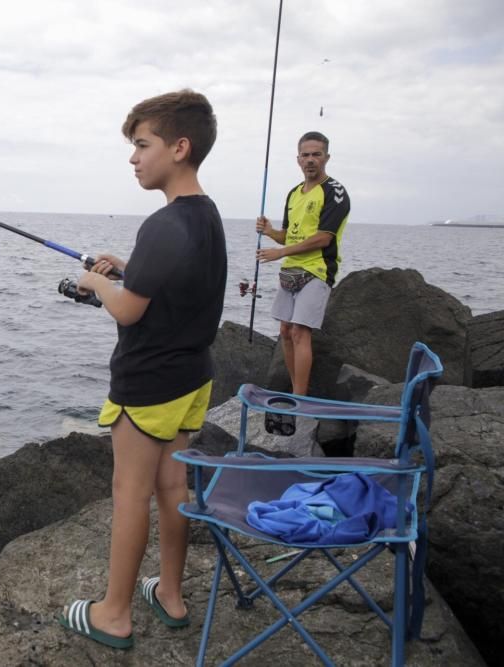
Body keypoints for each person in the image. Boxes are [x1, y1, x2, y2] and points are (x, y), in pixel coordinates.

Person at [58, 90, 226, 650]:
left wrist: (98, 282)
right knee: (172, 483)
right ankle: (171, 595)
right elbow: (179, 282)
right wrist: (129, 267)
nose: (133, 157)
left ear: (179, 147)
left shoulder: (162, 224)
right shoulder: (206, 217)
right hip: (191, 379)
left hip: (147, 384)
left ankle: (113, 613)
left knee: (130, 491)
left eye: (141, 145)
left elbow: (129, 308)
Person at [255, 132, 350, 404]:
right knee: (285, 331)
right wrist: (271, 231)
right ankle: (297, 390)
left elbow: (323, 238)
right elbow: (289, 234)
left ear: (326, 158)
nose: (310, 160)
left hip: (318, 270)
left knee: (299, 331)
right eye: (305, 155)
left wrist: (280, 252)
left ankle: (300, 399)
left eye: (316, 154)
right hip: (291, 270)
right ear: (298, 159)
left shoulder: (335, 192)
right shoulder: (294, 193)